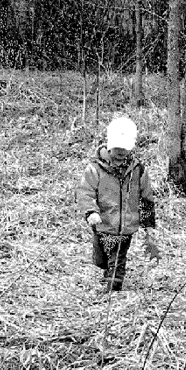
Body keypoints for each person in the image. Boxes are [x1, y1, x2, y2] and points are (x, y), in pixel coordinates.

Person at [75, 117, 158, 293]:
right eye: (118, 147)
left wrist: (148, 224)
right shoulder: (95, 169)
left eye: (125, 148)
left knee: (118, 258)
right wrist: (90, 212)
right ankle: (107, 270)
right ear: (110, 144)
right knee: (101, 260)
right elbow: (85, 192)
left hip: (126, 227)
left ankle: (114, 288)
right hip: (102, 223)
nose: (121, 151)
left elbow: (146, 198)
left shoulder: (138, 170)